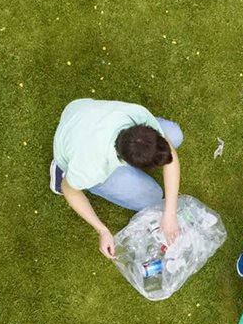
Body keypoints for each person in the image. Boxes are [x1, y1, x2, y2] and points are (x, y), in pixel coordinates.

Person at [49, 98, 186, 258]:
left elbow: (169, 154)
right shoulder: (91, 167)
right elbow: (70, 191)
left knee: (175, 134)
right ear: (127, 162)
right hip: (74, 147)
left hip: (81, 112)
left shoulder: (137, 115)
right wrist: (103, 230)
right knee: (152, 197)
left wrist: (170, 213)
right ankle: (61, 169)